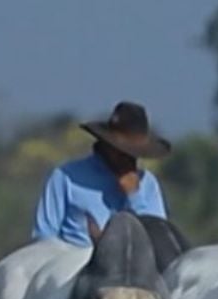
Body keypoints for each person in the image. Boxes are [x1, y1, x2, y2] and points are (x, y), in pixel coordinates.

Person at [31, 101, 171, 247]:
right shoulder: (65, 176)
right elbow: (44, 236)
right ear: (106, 144)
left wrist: (134, 195)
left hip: (131, 259)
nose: (127, 157)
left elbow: (156, 236)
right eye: (120, 151)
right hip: (75, 255)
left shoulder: (147, 183)